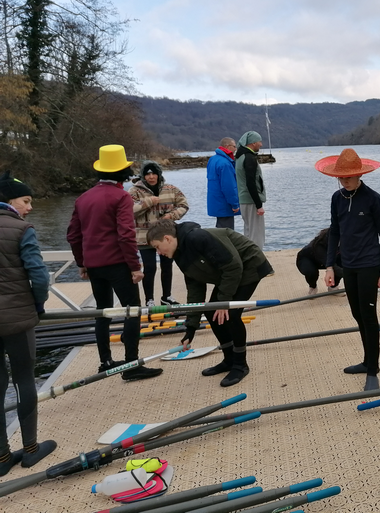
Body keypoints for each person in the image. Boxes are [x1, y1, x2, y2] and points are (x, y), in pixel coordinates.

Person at [66, 145, 163, 381]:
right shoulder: (121, 196)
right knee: (132, 311)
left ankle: (106, 361)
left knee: (103, 312)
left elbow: (73, 235)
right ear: (121, 172)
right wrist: (135, 267)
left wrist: (82, 263)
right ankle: (131, 365)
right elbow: (125, 235)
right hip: (118, 263)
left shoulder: (83, 198)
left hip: (94, 265)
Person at [146, 219, 274, 387]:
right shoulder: (179, 254)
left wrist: (223, 303)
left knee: (231, 314)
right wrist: (190, 328)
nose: (158, 252)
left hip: (249, 264)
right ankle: (229, 360)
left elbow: (233, 266)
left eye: (157, 247)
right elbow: (195, 290)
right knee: (211, 313)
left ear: (167, 238)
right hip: (228, 272)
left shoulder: (197, 238)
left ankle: (240, 365)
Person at [315, 148, 380, 391]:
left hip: (369, 264)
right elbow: (335, 231)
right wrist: (329, 266)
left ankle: (373, 370)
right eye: (341, 176)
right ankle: (366, 360)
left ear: (359, 174)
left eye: (349, 176)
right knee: (357, 314)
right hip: (348, 265)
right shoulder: (337, 198)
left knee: (368, 317)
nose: (344, 180)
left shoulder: (373, 199)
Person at [0, 172, 57, 474]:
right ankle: (31, 450)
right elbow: (39, 276)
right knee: (24, 380)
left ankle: (2, 459)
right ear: (10, 202)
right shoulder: (22, 229)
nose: (30, 207)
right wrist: (38, 305)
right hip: (18, 319)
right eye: (26, 201)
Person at [129, 160, 189, 306]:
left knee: (167, 266)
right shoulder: (134, 191)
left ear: (158, 174)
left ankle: (166, 296)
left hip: (165, 235)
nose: (151, 177)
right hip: (144, 237)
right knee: (149, 267)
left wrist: (171, 216)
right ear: (143, 176)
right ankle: (149, 299)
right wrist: (148, 202)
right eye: (148, 174)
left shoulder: (171, 189)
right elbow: (128, 211)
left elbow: (184, 205)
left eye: (154, 173)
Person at [235, 131, 266, 250]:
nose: (261, 144)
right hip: (251, 200)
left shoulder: (239, 157)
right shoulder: (249, 158)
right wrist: (259, 205)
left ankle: (248, 257)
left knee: (248, 231)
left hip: (243, 199)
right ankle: (257, 260)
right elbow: (250, 182)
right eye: (259, 141)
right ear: (253, 143)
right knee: (256, 233)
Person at [295, 228, 342, 295]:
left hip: (327, 259)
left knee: (343, 263)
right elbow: (331, 266)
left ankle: (333, 287)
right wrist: (352, 276)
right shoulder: (319, 245)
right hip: (307, 259)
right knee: (311, 272)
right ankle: (313, 286)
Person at [207, 137, 240, 229]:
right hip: (224, 203)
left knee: (220, 229)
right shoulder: (225, 163)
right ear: (227, 146)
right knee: (227, 232)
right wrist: (234, 204)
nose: (235, 149)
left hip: (215, 200)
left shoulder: (212, 160)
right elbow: (229, 186)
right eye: (234, 146)